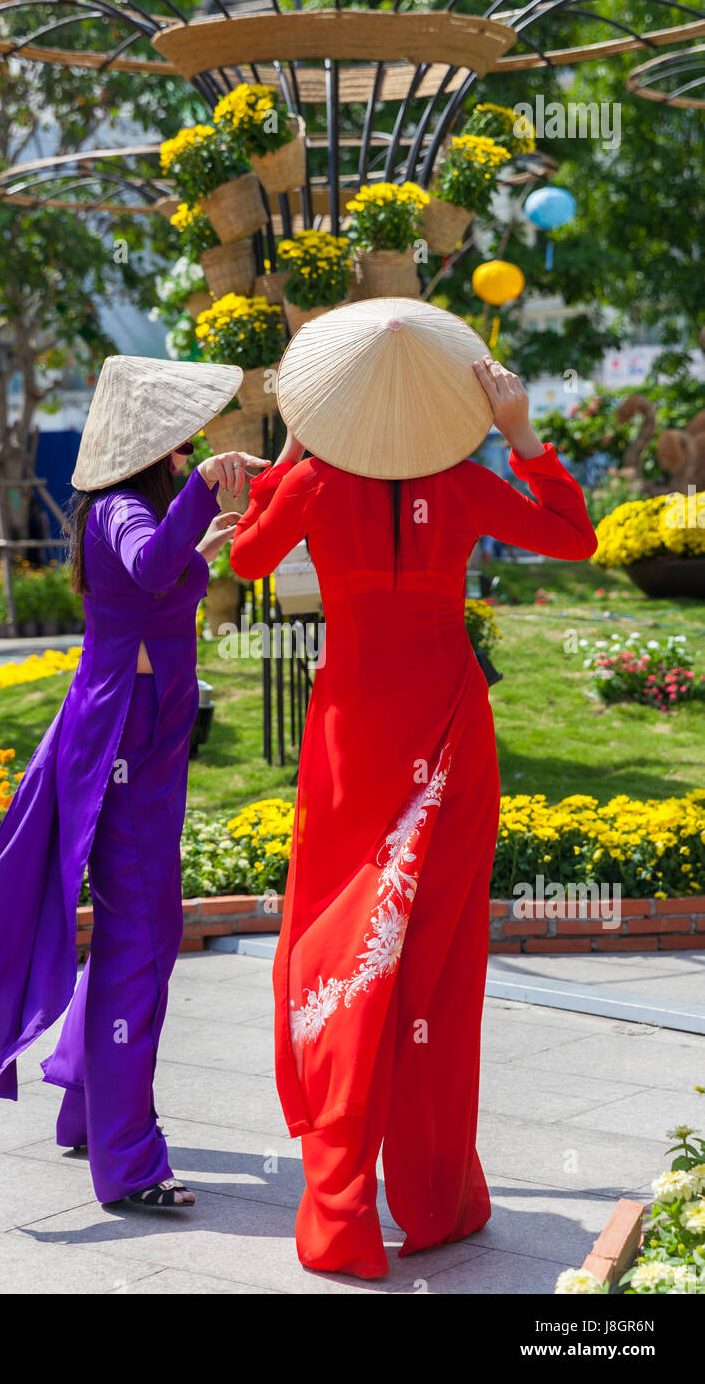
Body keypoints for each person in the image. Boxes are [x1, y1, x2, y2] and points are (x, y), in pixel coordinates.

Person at [229, 299, 598, 1278]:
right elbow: (573, 538)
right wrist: (520, 439)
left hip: (350, 732)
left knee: (341, 941)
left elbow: (246, 559)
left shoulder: (310, 479)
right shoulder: (469, 483)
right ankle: (436, 1198)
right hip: (444, 726)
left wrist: (284, 456)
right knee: (433, 956)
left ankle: (339, 1210)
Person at [0, 355, 268, 1209]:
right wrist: (197, 503)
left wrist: (202, 534)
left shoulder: (128, 507)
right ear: (149, 452)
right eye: (178, 448)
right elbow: (144, 566)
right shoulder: (124, 509)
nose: (186, 456)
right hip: (123, 746)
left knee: (145, 927)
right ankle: (130, 1163)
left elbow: (154, 578)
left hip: (140, 739)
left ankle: (85, 1107)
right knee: (142, 935)